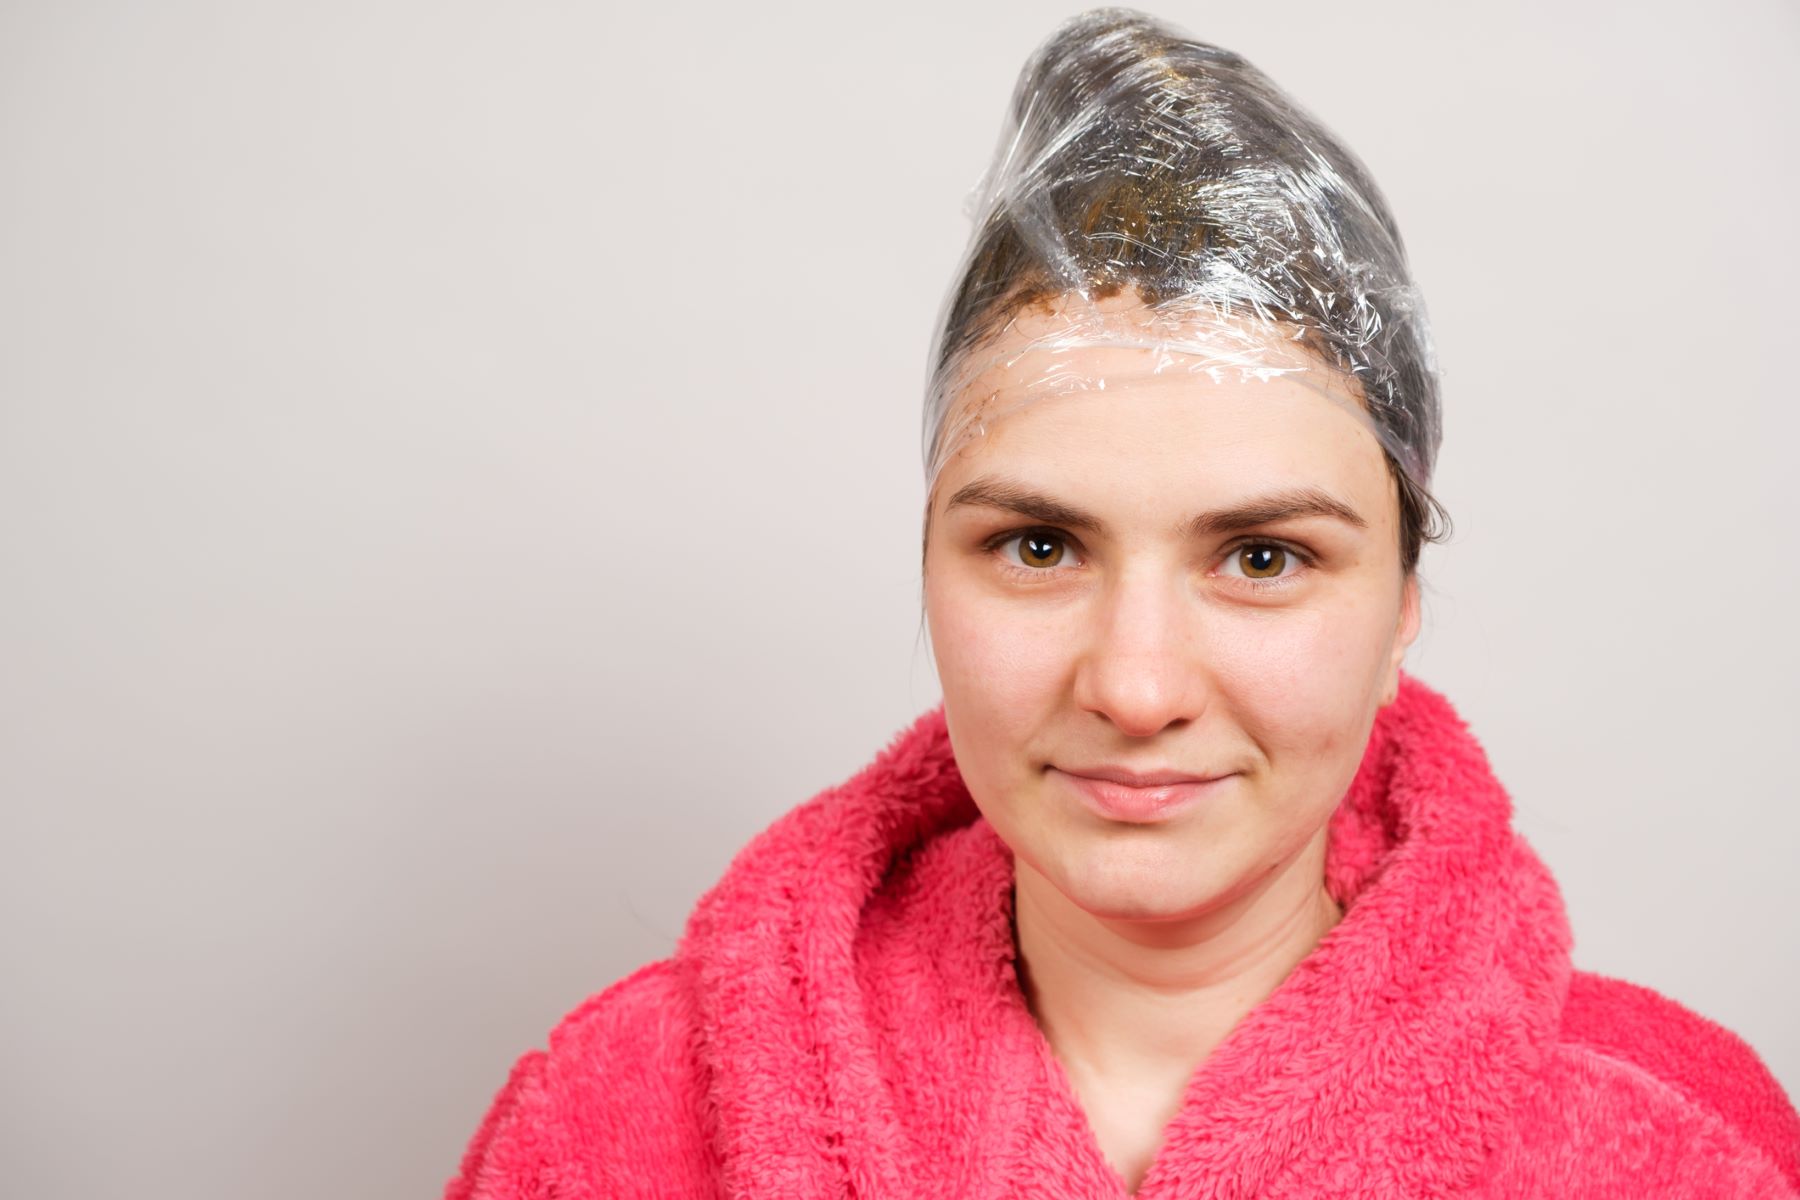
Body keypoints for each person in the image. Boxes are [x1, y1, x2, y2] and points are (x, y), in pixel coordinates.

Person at [442, 9, 1800, 1197]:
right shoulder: (617, 1122)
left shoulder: (1683, 1142)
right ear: (928, 562)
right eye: (1039, 548)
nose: (1136, 687)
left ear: (1401, 612)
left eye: (1261, 558)